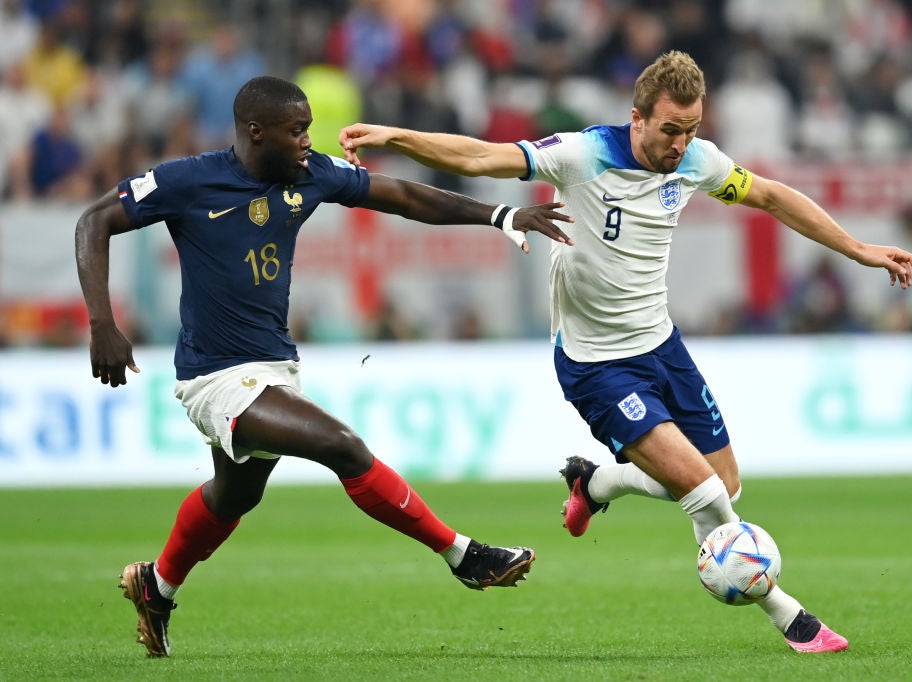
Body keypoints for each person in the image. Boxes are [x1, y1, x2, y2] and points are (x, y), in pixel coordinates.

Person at [339, 50, 912, 654]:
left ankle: (597, 485)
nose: (681, 144)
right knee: (704, 491)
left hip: (661, 345)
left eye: (691, 130)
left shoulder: (697, 162)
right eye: (670, 130)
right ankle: (791, 617)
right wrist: (397, 136)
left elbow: (771, 197)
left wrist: (860, 249)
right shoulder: (584, 154)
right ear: (637, 118)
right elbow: (484, 155)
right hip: (596, 363)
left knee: (723, 483)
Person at [75, 75, 574, 658]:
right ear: (256, 133)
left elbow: (403, 196)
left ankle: (156, 587)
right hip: (215, 378)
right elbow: (94, 221)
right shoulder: (188, 180)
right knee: (341, 445)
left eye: (309, 128)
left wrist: (500, 217)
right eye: (297, 131)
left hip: (275, 366)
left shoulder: (308, 174)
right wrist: (101, 324)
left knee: (234, 497)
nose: (308, 141)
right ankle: (462, 555)